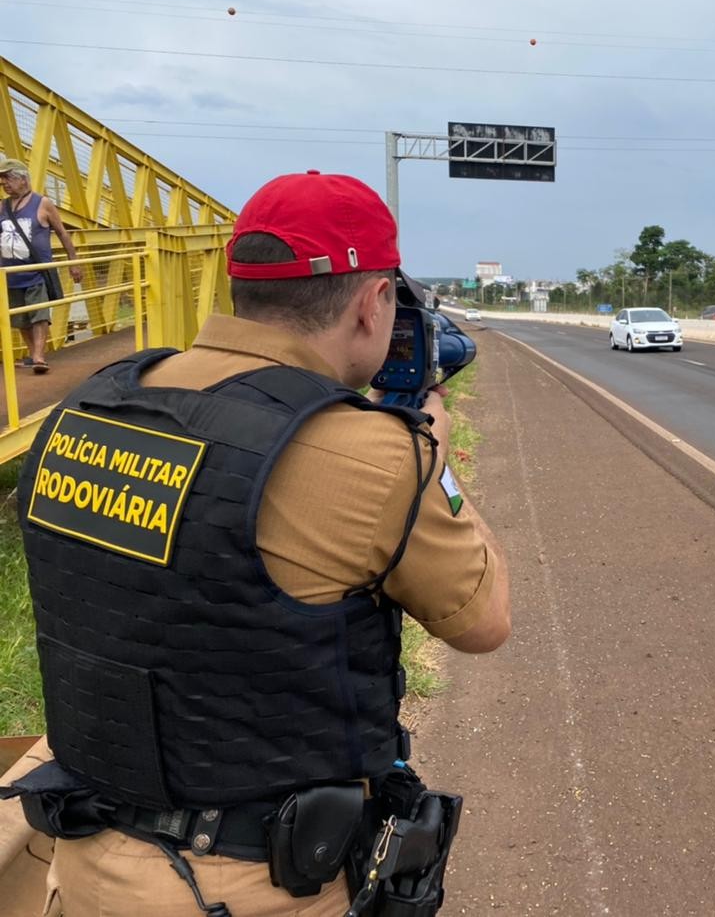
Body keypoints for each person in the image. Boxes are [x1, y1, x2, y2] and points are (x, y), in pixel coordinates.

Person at [3, 171, 511, 916]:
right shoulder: (371, 455)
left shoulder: (90, 407)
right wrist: (431, 456)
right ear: (373, 303)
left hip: (82, 855)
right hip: (250, 885)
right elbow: (484, 621)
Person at [0, 158, 83, 373]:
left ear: (23, 179)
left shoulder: (42, 203)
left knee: (39, 314)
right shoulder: (3, 206)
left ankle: (39, 355)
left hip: (37, 272)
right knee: (21, 318)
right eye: (2, 180)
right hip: (10, 273)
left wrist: (73, 262)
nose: (4, 183)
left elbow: (63, 233)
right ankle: (33, 354)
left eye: (7, 178)